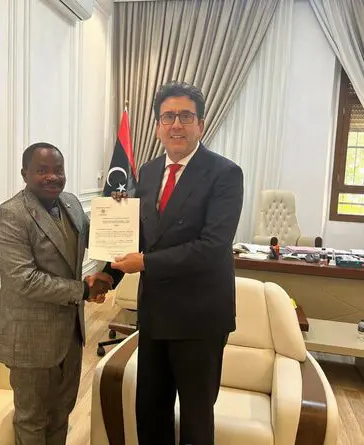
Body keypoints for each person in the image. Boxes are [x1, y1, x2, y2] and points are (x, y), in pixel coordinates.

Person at [107, 81, 244, 445]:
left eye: (186, 116)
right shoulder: (149, 171)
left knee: (196, 419)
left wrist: (146, 263)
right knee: (150, 411)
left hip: (200, 318)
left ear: (201, 124)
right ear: (157, 126)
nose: (176, 125)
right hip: (155, 313)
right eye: (168, 117)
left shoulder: (225, 173)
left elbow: (212, 247)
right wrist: (108, 266)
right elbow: (142, 233)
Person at [0, 142, 112, 445]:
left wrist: (118, 211)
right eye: (42, 170)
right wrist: (84, 289)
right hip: (31, 339)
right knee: (32, 419)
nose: (52, 177)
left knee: (61, 412)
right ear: (24, 174)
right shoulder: (10, 215)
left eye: (58, 170)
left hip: (70, 334)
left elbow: (99, 237)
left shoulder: (70, 203)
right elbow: (25, 280)